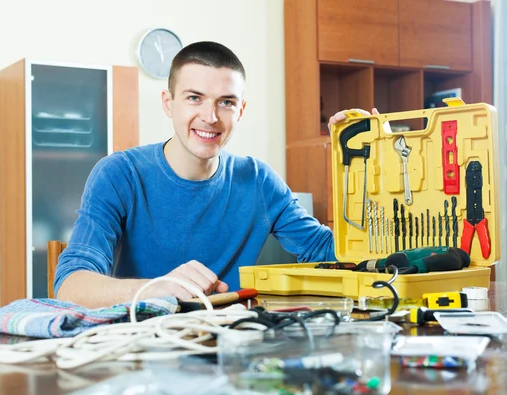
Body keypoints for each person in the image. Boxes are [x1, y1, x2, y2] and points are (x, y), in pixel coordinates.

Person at [54, 41, 358, 308]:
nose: (210, 117)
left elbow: (333, 253)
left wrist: (366, 170)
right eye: (194, 98)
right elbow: (70, 287)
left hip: (230, 347)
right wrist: (156, 289)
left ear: (240, 111)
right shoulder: (119, 174)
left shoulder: (259, 181)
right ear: (168, 103)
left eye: (226, 102)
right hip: (139, 351)